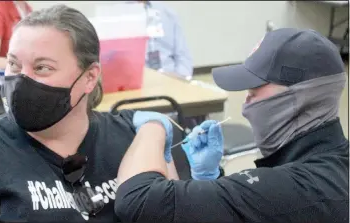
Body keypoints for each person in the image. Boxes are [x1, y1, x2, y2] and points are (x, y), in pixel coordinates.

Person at [0, 4, 179, 222]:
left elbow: (170, 213)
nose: (22, 79)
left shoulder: (132, 138)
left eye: (42, 67)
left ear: (89, 77)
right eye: (14, 64)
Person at [113, 28, 349, 222]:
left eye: (255, 90)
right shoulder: (332, 165)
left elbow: (137, 201)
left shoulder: (297, 188)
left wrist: (153, 125)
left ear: (301, 96)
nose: (246, 105)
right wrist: (210, 179)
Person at [137, 1, 193, 78]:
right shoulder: (120, 15)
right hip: (138, 80)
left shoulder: (169, 13)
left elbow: (183, 54)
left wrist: (181, 77)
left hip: (170, 77)